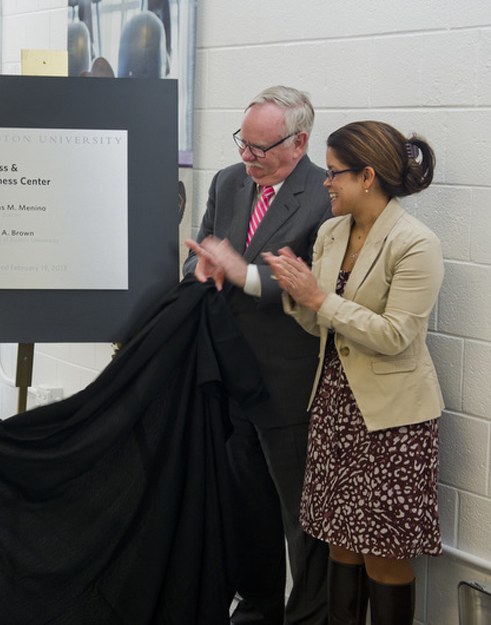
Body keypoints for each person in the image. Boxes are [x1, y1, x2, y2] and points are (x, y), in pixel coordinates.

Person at [264, 121, 443, 625]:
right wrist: (294, 293)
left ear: (367, 176)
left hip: (393, 422)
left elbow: (394, 335)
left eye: (334, 173)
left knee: (383, 553)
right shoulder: (330, 231)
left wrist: (319, 297)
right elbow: (318, 321)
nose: (325, 182)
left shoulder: (415, 243)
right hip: (335, 408)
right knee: (341, 544)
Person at [183, 85, 331, 624]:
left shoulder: (324, 194)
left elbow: (312, 283)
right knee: (248, 509)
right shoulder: (227, 181)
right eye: (242, 143)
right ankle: (257, 608)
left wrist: (242, 274)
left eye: (260, 149)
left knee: (301, 516)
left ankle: (307, 616)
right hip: (229, 373)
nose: (247, 158)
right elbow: (203, 249)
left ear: (300, 142)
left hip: (287, 380)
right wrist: (200, 268)